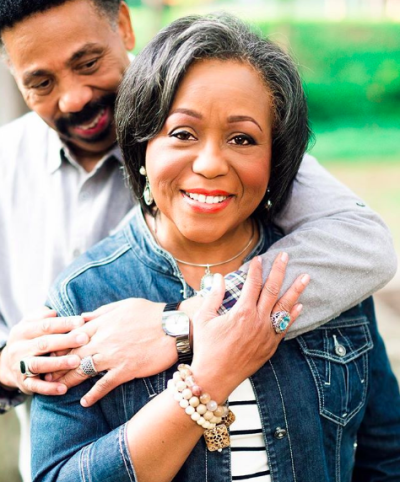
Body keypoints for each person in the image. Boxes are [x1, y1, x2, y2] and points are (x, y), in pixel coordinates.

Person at [0, 0, 397, 479]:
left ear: (123, 26)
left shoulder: (225, 123)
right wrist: (8, 368)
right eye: (41, 83)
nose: (73, 98)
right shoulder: (60, 256)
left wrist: (186, 324)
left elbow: (364, 242)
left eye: (88, 63)